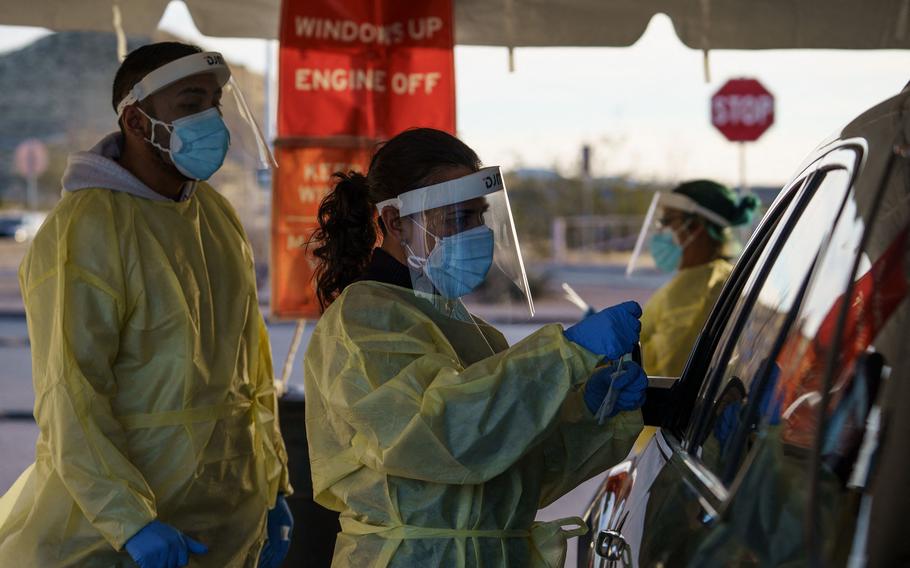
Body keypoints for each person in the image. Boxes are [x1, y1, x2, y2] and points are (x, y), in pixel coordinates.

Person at [0, 42, 293, 568]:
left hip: (222, 522)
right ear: (137, 123)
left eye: (216, 102)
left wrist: (273, 485)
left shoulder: (216, 216)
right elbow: (71, 394)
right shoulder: (85, 229)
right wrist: (128, 520)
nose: (211, 119)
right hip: (105, 539)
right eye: (189, 103)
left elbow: (252, 370)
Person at [303, 127, 648, 567]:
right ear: (393, 222)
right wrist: (564, 354)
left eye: (480, 216)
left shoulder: (473, 332)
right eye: (457, 219)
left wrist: (591, 417)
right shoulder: (363, 321)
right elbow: (440, 435)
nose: (477, 232)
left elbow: (512, 469)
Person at [638, 180, 760, 377]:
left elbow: (665, 372)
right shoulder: (712, 276)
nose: (661, 230)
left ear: (694, 226)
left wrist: (611, 357)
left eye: (668, 220)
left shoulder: (698, 288)